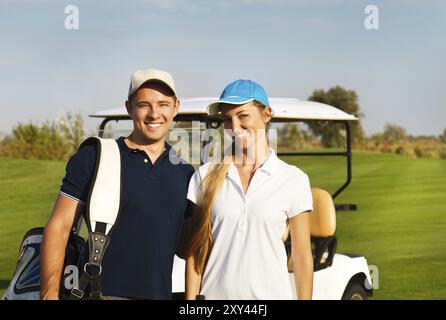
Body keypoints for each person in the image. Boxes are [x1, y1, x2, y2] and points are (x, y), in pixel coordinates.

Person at [40, 69, 195, 300]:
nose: (154, 113)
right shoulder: (95, 156)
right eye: (144, 104)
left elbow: (186, 248)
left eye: (163, 104)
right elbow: (59, 227)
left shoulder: (185, 173)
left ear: (176, 107)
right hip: (96, 294)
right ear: (129, 107)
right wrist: (48, 296)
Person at [184, 79, 314, 300]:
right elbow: (196, 252)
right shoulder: (205, 175)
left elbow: (302, 257)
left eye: (243, 115)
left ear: (267, 114)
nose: (234, 127)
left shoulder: (293, 179)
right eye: (227, 119)